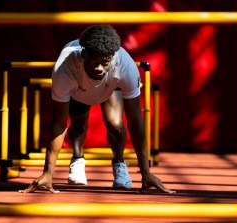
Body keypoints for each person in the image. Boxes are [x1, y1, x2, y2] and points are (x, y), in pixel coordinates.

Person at [19, 25, 175, 194]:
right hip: (78, 86)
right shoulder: (65, 69)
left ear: (113, 57)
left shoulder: (125, 65)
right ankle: (78, 159)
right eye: (94, 62)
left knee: (116, 125)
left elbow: (135, 121)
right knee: (78, 126)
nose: (99, 68)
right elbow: (59, 123)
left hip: (110, 86)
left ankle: (119, 162)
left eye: (104, 62)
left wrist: (146, 172)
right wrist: (47, 173)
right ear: (83, 55)